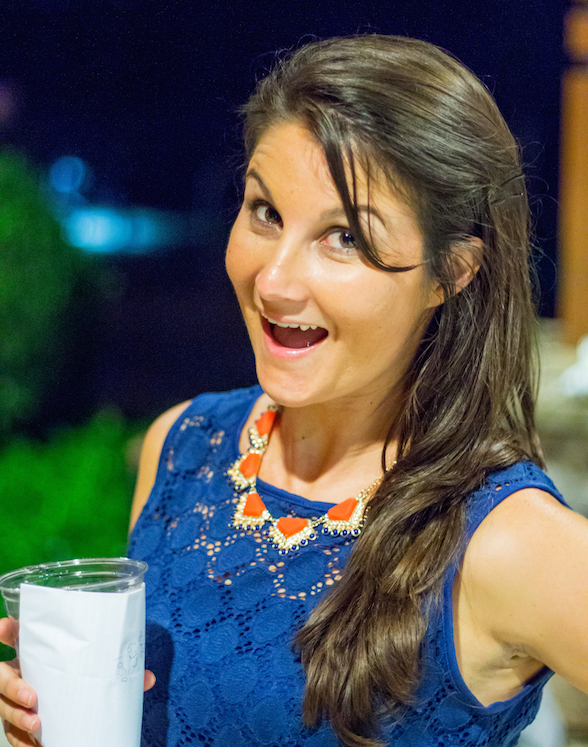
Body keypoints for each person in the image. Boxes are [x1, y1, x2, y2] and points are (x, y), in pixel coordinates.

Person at [1, 34, 587, 747]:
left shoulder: (503, 538)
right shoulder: (181, 447)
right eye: (266, 212)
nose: (274, 280)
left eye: (344, 237)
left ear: (451, 273)